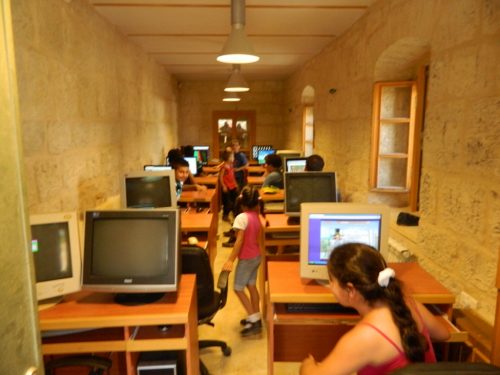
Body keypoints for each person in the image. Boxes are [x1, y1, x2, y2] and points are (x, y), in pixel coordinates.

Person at [300, 243, 450, 375]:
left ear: (350, 290)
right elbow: (443, 334)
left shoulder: (365, 336)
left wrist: (307, 365)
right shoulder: (406, 300)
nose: (330, 287)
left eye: (331, 281)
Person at [222, 185, 263, 337]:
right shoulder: (256, 215)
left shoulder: (241, 217)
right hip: (256, 256)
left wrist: (230, 260)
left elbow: (239, 241)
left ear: (242, 202)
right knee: (251, 285)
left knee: (238, 288)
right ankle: (256, 315)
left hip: (246, 259)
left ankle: (254, 320)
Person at [219, 150, 239, 222]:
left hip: (233, 186)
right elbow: (220, 177)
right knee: (227, 202)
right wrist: (223, 186)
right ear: (228, 158)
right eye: (232, 156)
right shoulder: (224, 167)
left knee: (234, 200)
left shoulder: (231, 165)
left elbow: (232, 176)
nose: (233, 158)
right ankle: (225, 215)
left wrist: (235, 184)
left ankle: (234, 213)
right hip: (227, 187)